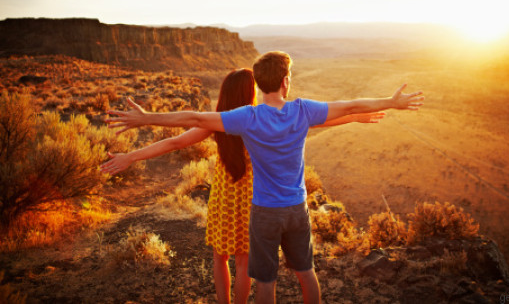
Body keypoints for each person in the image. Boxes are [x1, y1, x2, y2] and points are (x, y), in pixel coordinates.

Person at [106, 52, 424, 304]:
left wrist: (139, 136)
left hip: (243, 204)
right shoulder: (282, 113)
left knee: (237, 266)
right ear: (277, 84)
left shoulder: (237, 120)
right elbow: (332, 113)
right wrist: (374, 109)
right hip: (275, 203)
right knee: (279, 268)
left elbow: (183, 130)